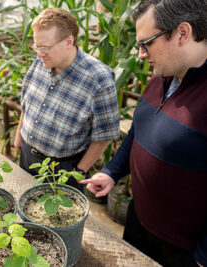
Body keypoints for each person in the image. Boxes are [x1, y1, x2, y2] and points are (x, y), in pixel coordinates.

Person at [81, 0, 207, 266]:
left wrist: (202, 256)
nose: (140, 53)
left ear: (182, 33)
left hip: (180, 248)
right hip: (139, 221)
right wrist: (113, 171)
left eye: (146, 43)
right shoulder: (162, 76)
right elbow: (140, 130)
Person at [14, 8, 120, 191]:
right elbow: (26, 103)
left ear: (69, 42)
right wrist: (18, 137)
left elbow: (105, 135)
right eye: (36, 46)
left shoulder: (98, 79)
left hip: (61, 169)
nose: (39, 53)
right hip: (26, 155)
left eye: (45, 47)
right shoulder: (41, 60)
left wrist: (79, 170)